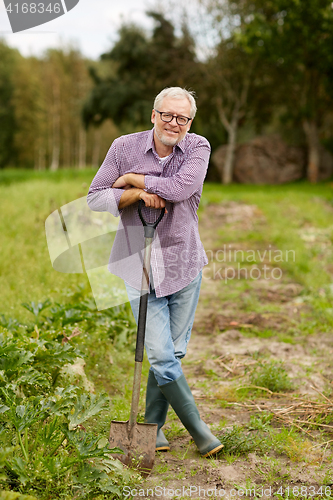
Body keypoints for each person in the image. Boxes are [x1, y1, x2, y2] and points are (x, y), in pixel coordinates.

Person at [87, 87, 223, 457]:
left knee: (172, 354)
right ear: (153, 114)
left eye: (182, 118)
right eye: (167, 115)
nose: (174, 123)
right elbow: (96, 195)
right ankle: (201, 434)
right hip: (138, 262)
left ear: (190, 122)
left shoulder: (198, 147)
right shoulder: (123, 147)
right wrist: (134, 195)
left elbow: (181, 188)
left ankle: (154, 426)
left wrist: (131, 178)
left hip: (183, 263)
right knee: (162, 355)